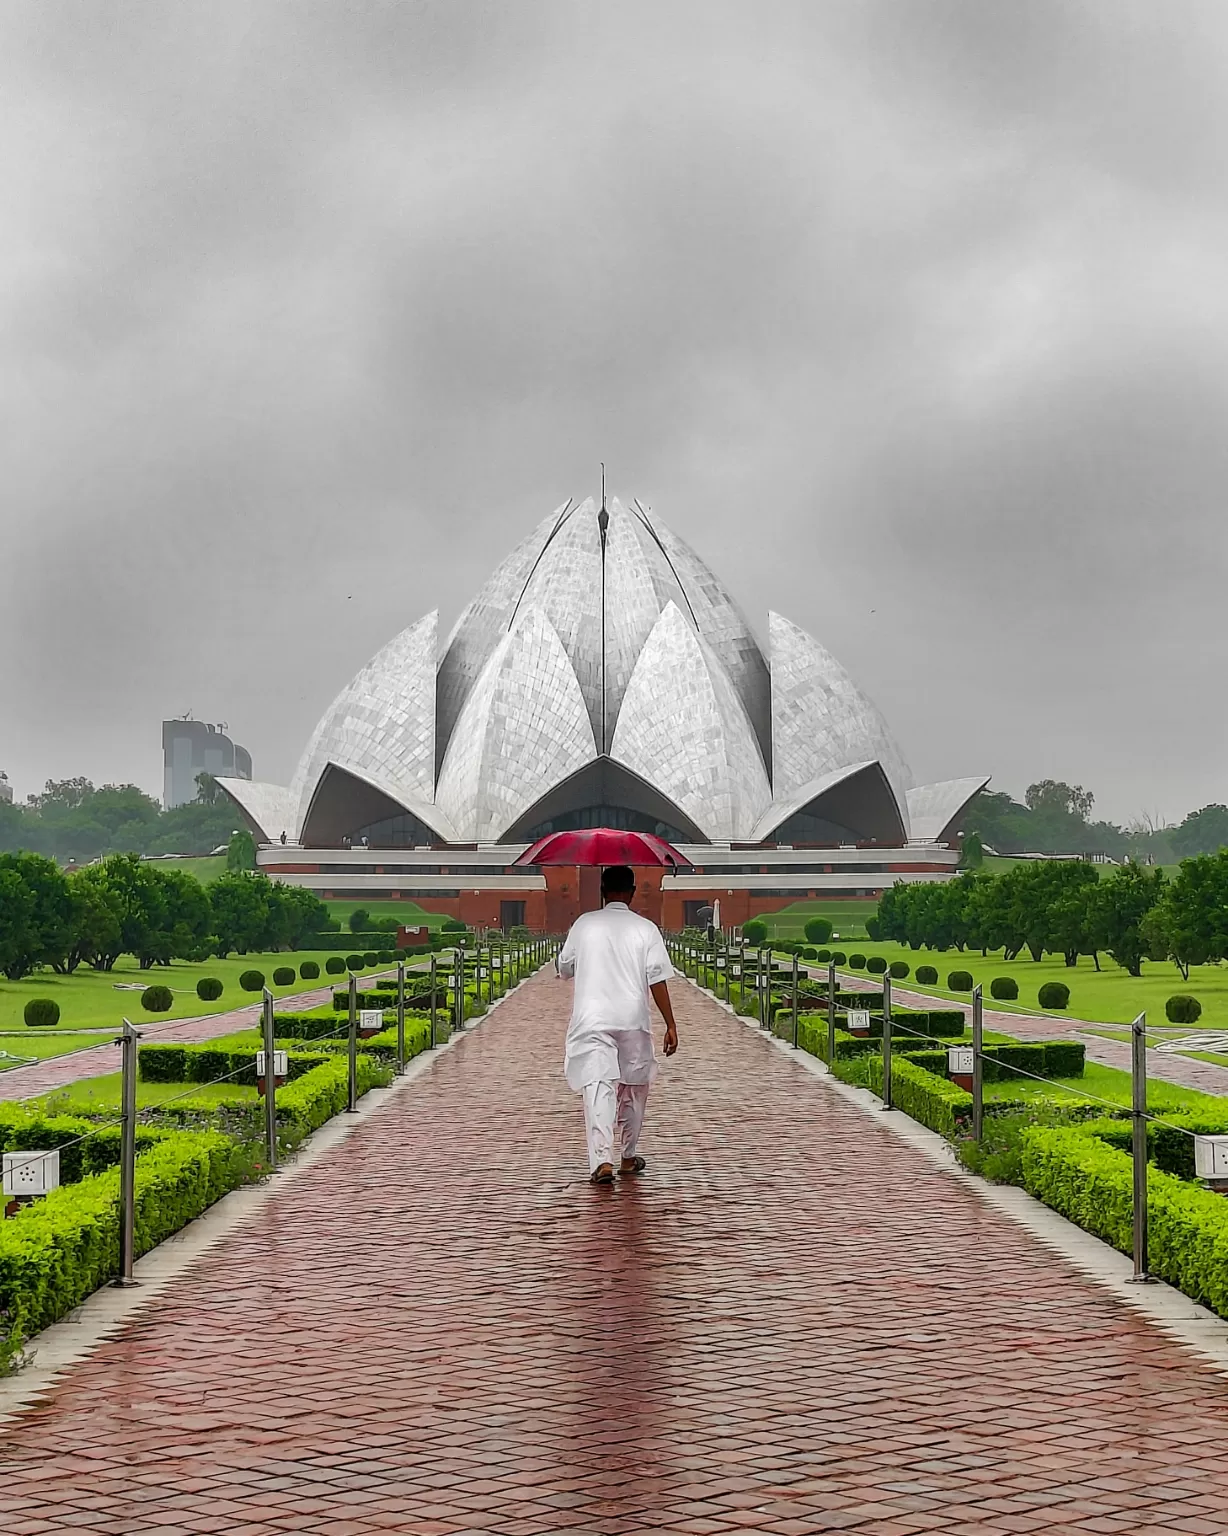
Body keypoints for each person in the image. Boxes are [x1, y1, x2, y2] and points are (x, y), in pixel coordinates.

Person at [557, 865, 678, 1185]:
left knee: (598, 1086)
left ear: (602, 891)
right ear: (633, 892)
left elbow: (565, 967)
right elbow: (657, 978)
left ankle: (601, 1160)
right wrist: (670, 1024)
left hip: (592, 1019)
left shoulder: (584, 924)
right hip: (632, 1018)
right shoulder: (646, 928)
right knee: (635, 1089)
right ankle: (627, 1155)